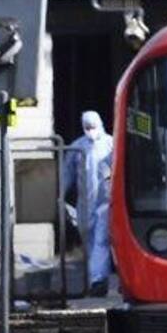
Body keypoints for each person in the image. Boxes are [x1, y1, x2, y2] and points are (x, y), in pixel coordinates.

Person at [64, 110, 114, 296]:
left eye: (93, 127)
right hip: (84, 203)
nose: (90, 130)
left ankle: (98, 280)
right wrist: (60, 194)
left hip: (105, 202)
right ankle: (95, 278)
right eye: (87, 127)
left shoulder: (111, 144)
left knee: (101, 240)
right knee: (88, 241)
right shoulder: (77, 147)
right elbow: (67, 173)